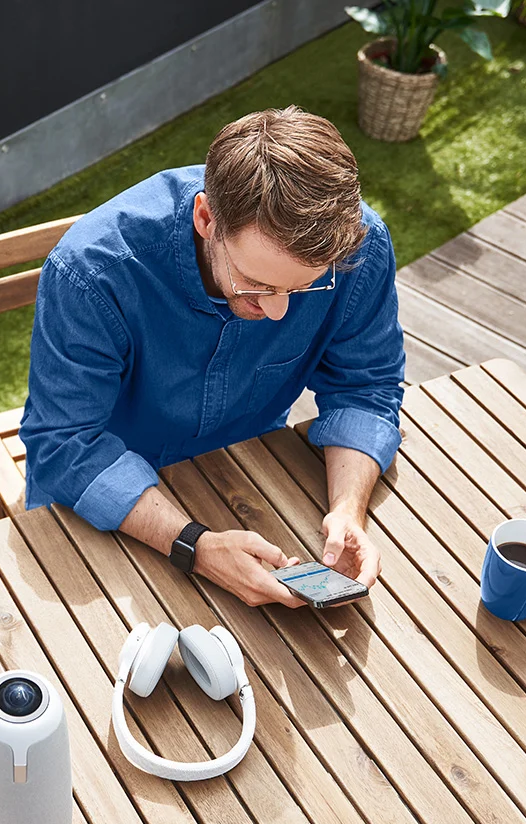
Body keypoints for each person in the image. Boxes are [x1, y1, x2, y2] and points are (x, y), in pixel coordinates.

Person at [20, 106, 405, 608]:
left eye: (305, 286)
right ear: (206, 218)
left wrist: (348, 509)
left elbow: (365, 386)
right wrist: (193, 546)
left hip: (246, 474)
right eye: (257, 283)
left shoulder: (360, 247)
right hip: (101, 502)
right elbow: (65, 443)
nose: (278, 309)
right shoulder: (92, 273)